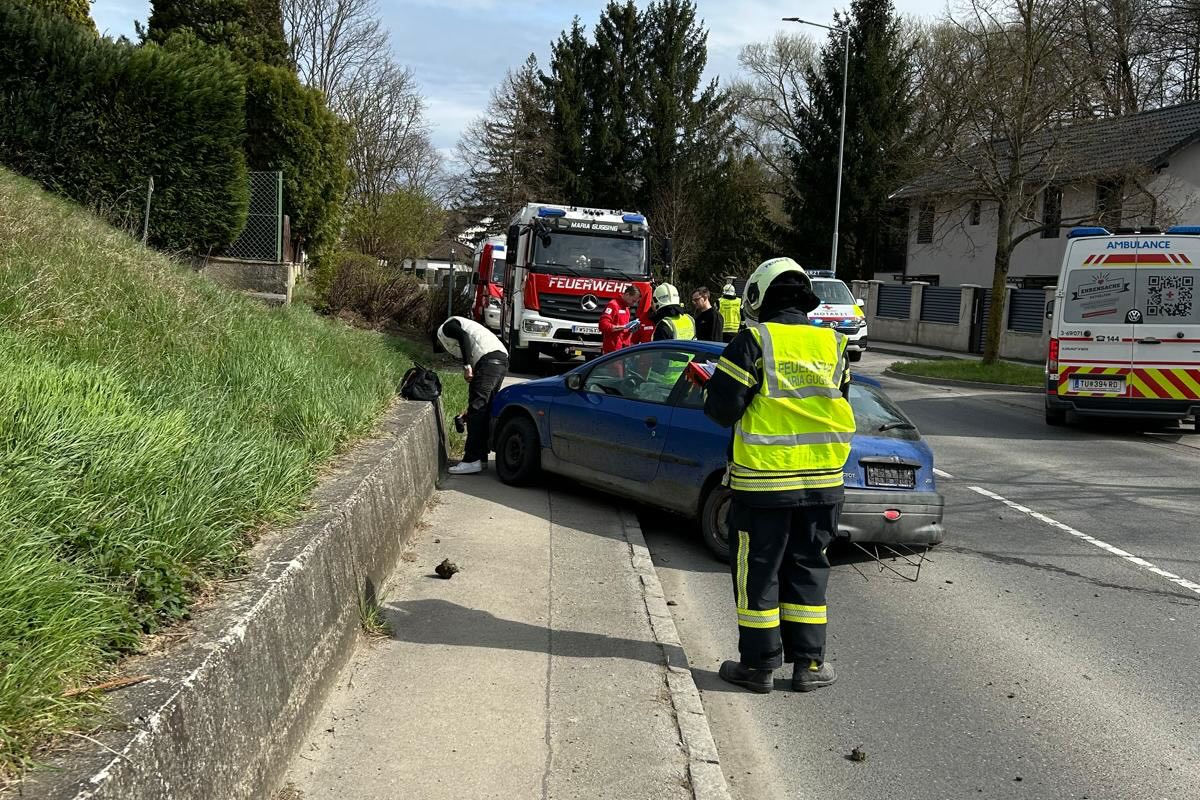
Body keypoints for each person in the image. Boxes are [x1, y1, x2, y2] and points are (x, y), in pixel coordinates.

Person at [702, 257, 855, 694]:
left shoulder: (754, 340)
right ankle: (809, 666)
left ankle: (759, 667)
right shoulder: (835, 344)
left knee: (759, 573)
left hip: (765, 484)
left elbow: (722, 410)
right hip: (824, 483)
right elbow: (839, 400)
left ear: (757, 296)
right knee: (809, 568)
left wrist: (709, 388)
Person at [437, 316, 509, 475]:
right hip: (501, 359)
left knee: (478, 409)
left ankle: (471, 460)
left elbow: (463, 337)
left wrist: (467, 366)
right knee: (484, 409)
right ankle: (481, 457)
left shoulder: (447, 326)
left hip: (488, 360)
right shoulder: (468, 325)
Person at [599, 284, 643, 354]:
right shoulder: (613, 305)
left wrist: (631, 329)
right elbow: (603, 325)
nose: (633, 304)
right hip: (612, 350)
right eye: (633, 301)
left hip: (623, 349)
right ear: (627, 295)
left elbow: (623, 331)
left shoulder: (626, 308)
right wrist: (624, 327)